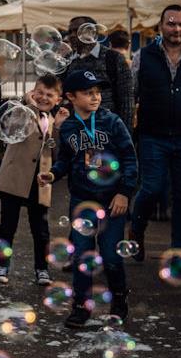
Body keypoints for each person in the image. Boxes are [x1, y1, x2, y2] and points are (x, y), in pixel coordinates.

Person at [41, 69, 137, 328]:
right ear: (71, 96)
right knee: (82, 255)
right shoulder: (69, 126)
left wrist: (124, 193)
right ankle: (81, 306)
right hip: (82, 201)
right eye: (88, 93)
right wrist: (53, 174)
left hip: (112, 201)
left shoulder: (112, 122)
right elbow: (65, 160)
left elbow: (129, 157)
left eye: (97, 92)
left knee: (111, 256)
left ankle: (119, 299)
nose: (95, 97)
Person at [130, 5, 181, 257]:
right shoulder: (143, 56)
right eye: (171, 23)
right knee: (152, 188)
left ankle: (180, 250)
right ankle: (137, 229)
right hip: (152, 134)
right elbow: (131, 94)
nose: (177, 29)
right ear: (160, 26)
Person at [0, 74, 67, 286]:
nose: (43, 98)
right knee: (8, 225)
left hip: (40, 181)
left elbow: (56, 152)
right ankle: (2, 266)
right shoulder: (21, 111)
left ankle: (41, 268)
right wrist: (29, 104)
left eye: (49, 95)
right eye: (39, 92)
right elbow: (11, 128)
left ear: (58, 99)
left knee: (41, 229)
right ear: (33, 92)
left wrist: (59, 127)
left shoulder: (53, 120)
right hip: (14, 177)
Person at [63, 15, 134, 127]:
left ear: (92, 33)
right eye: (70, 31)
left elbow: (127, 101)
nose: (71, 35)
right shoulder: (67, 60)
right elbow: (58, 94)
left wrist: (124, 136)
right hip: (77, 130)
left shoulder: (113, 58)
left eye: (77, 30)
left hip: (107, 130)